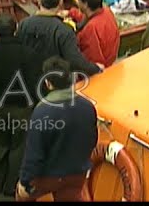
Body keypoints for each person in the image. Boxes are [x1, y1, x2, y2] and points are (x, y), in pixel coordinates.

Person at [16, 56, 98, 202]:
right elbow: (92, 140)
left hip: (48, 177)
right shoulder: (88, 107)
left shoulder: (42, 112)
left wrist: (24, 182)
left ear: (48, 83)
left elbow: (34, 155)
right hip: (76, 174)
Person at [0, 12, 41, 196]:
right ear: (15, 30)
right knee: (18, 148)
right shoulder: (29, 53)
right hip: (22, 108)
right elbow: (34, 83)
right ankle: (11, 187)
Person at [16, 0, 102, 77]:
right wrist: (96, 68)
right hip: (56, 80)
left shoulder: (23, 24)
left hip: (29, 77)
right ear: (60, 2)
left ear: (39, 1)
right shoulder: (64, 30)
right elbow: (75, 61)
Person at [63, 0, 120, 68]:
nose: (77, 1)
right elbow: (87, 16)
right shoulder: (107, 12)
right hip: (111, 59)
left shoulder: (91, 28)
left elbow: (92, 59)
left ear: (85, 4)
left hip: (101, 69)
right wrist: (71, 12)